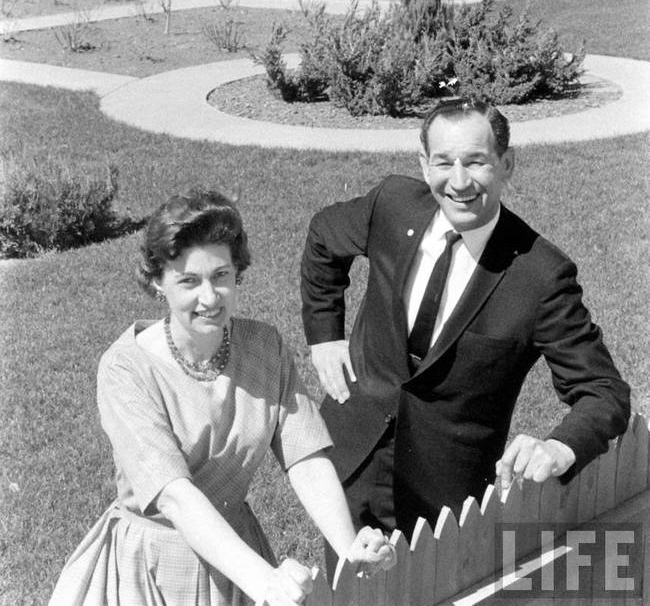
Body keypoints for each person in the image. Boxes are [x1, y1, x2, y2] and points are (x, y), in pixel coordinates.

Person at [301, 98, 630, 541]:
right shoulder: (392, 206)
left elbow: (603, 391)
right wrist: (324, 334)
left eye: (476, 162)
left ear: (506, 163)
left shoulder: (540, 275)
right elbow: (324, 235)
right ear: (423, 164)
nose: (458, 182)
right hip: (352, 457)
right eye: (443, 163)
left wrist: (557, 448)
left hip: (444, 500)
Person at [49, 188, 394, 606]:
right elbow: (175, 495)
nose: (210, 298)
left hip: (235, 553)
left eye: (221, 276)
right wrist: (264, 581)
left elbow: (305, 459)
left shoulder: (264, 346)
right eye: (189, 281)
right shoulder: (126, 369)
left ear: (237, 272)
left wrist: (348, 546)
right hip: (153, 566)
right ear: (158, 282)